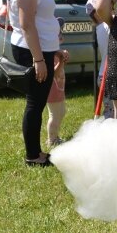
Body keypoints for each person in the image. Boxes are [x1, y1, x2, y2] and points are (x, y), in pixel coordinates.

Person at [7, 0, 60, 166]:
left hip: (41, 50)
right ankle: (33, 155)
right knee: (35, 104)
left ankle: (35, 152)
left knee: (36, 104)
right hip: (33, 52)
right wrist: (39, 59)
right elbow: (26, 24)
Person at [86, 0, 113, 119]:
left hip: (105, 75)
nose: (112, 8)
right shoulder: (106, 27)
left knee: (112, 112)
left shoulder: (100, 27)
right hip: (108, 76)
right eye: (110, 5)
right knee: (111, 115)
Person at [47, 19, 70, 147]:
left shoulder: (57, 52)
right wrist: (61, 61)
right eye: (57, 33)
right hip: (52, 90)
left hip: (59, 88)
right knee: (54, 114)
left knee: (61, 112)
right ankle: (51, 139)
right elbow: (53, 74)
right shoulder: (50, 54)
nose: (61, 34)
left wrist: (63, 58)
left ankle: (55, 136)